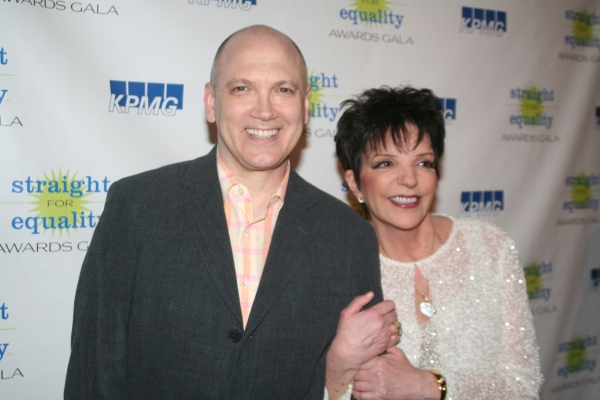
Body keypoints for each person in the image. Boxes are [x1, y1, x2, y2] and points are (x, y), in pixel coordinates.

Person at [64, 25, 399, 399]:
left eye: (283, 90)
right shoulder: (136, 207)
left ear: (305, 106)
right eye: (242, 88)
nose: (264, 110)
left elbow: (373, 384)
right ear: (211, 102)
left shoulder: (349, 235)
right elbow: (93, 373)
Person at [326, 86, 544, 399]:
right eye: (386, 163)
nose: (410, 180)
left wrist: (430, 386)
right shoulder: (336, 270)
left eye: (423, 162)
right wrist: (337, 370)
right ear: (354, 182)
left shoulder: (490, 247)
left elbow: (525, 386)